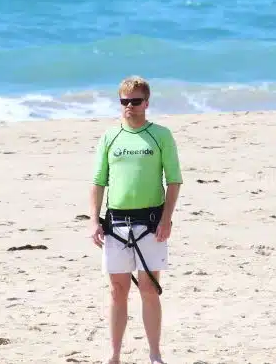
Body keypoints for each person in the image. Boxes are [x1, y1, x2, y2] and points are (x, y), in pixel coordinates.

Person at [88, 76, 183, 364]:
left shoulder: (161, 135)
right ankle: (114, 354)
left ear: (147, 103)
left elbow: (174, 181)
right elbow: (97, 182)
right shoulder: (109, 136)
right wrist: (94, 220)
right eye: (125, 101)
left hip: (151, 224)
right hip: (116, 224)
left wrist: (167, 220)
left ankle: (154, 354)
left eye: (136, 101)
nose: (130, 106)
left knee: (149, 289)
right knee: (117, 290)